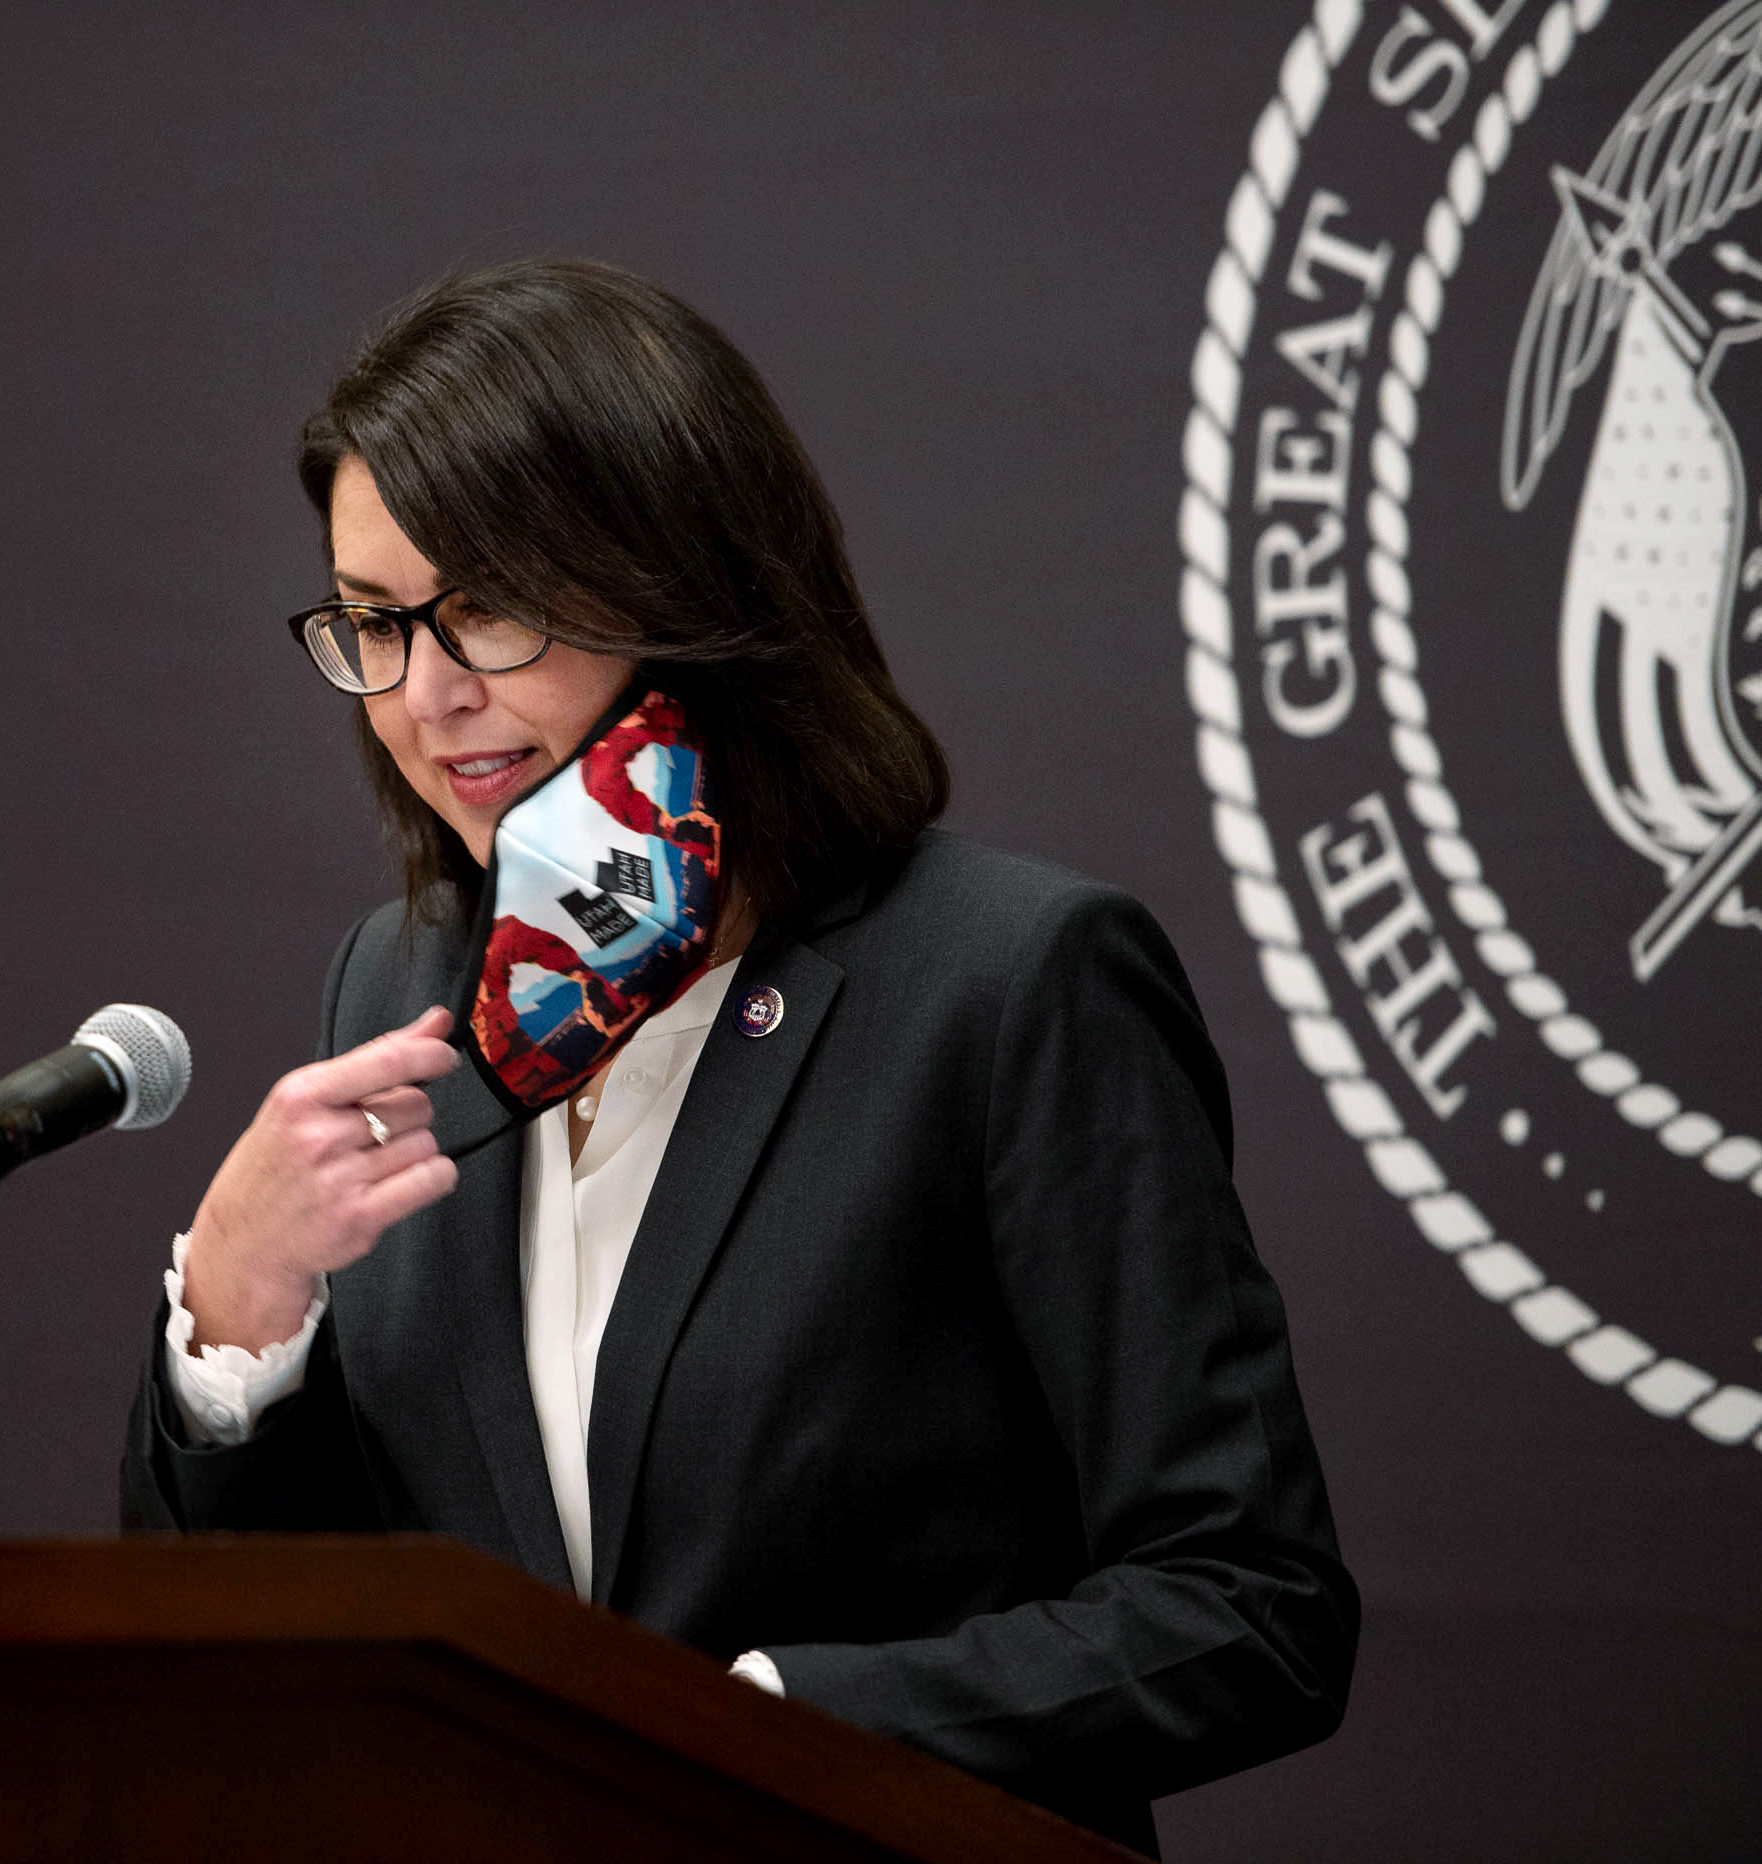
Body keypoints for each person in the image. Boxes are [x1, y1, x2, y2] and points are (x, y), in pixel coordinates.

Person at [120, 258, 1356, 1854]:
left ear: (688, 587)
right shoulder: (397, 989)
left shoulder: (1007, 984)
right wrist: (235, 1328)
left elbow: (1249, 1607)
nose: (426, 696)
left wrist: (761, 1727)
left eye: (486, 605)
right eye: (371, 624)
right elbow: (265, 1666)